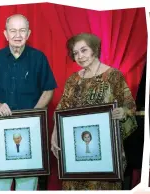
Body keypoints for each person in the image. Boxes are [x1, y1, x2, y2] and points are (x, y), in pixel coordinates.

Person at [0, 14, 57, 191]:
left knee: (27, 182)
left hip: (31, 131)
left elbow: (48, 89)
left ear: (28, 33)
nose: (17, 35)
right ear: (5, 34)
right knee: (0, 183)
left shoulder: (39, 58)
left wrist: (33, 114)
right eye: (13, 30)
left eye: (22, 30)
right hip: (0, 130)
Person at [51, 32, 137, 190]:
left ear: (95, 49)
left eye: (84, 50)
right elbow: (61, 111)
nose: (80, 56)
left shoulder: (114, 76)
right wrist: (55, 135)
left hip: (106, 153)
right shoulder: (72, 80)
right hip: (75, 153)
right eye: (75, 53)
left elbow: (130, 107)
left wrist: (122, 112)